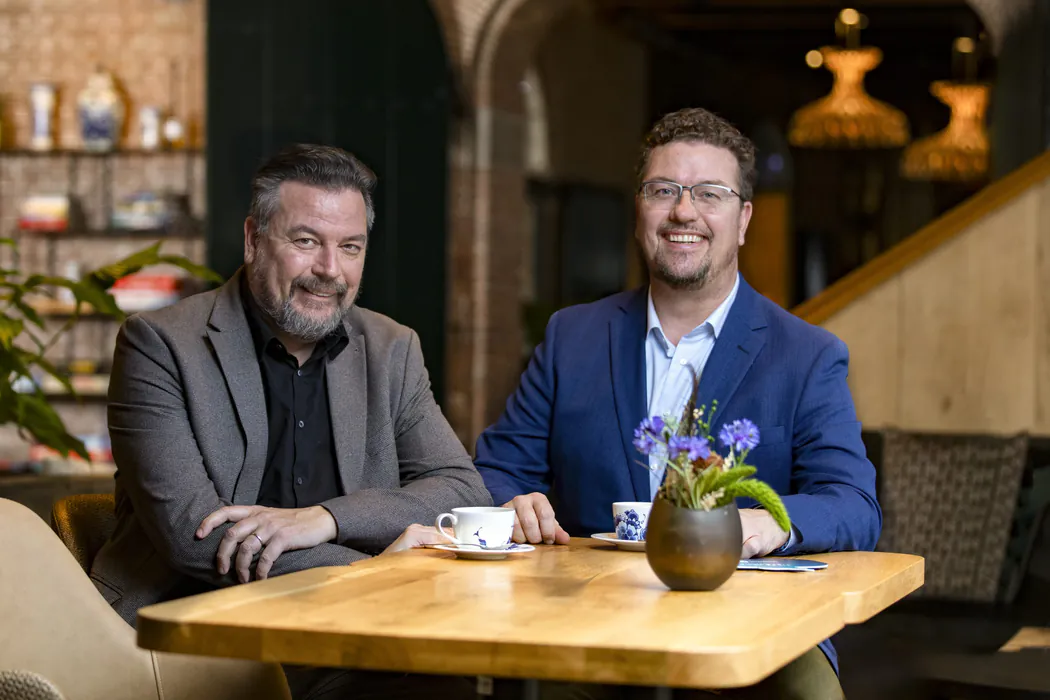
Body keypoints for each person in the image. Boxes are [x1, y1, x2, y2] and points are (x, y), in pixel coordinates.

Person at [474, 108, 881, 698]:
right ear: (639, 209)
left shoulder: (808, 354)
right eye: (663, 190)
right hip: (587, 618)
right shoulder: (571, 337)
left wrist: (768, 521)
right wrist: (515, 502)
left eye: (708, 194)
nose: (683, 212)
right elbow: (495, 470)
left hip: (751, 625)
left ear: (743, 219)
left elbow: (854, 505)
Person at [91, 144, 491, 699]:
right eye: (306, 241)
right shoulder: (159, 345)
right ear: (254, 240)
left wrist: (326, 518)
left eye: (350, 247)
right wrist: (371, 573)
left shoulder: (392, 348)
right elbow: (194, 537)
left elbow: (460, 488)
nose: (329, 270)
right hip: (197, 631)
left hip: (356, 631)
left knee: (449, 680)